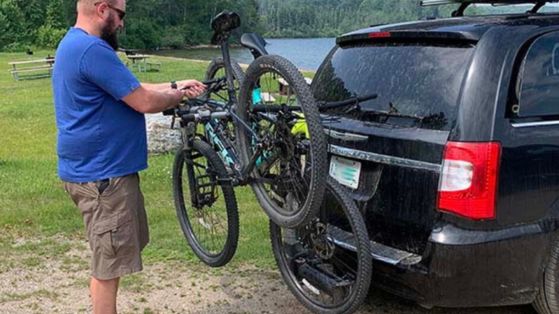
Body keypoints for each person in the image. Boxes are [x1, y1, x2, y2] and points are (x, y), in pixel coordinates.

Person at [52, 1, 206, 313]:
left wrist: (176, 84)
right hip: (102, 179)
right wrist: (177, 97)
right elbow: (143, 100)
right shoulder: (91, 49)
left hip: (95, 173)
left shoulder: (76, 44)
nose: (121, 24)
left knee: (107, 262)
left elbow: (129, 87)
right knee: (108, 269)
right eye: (120, 15)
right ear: (101, 8)